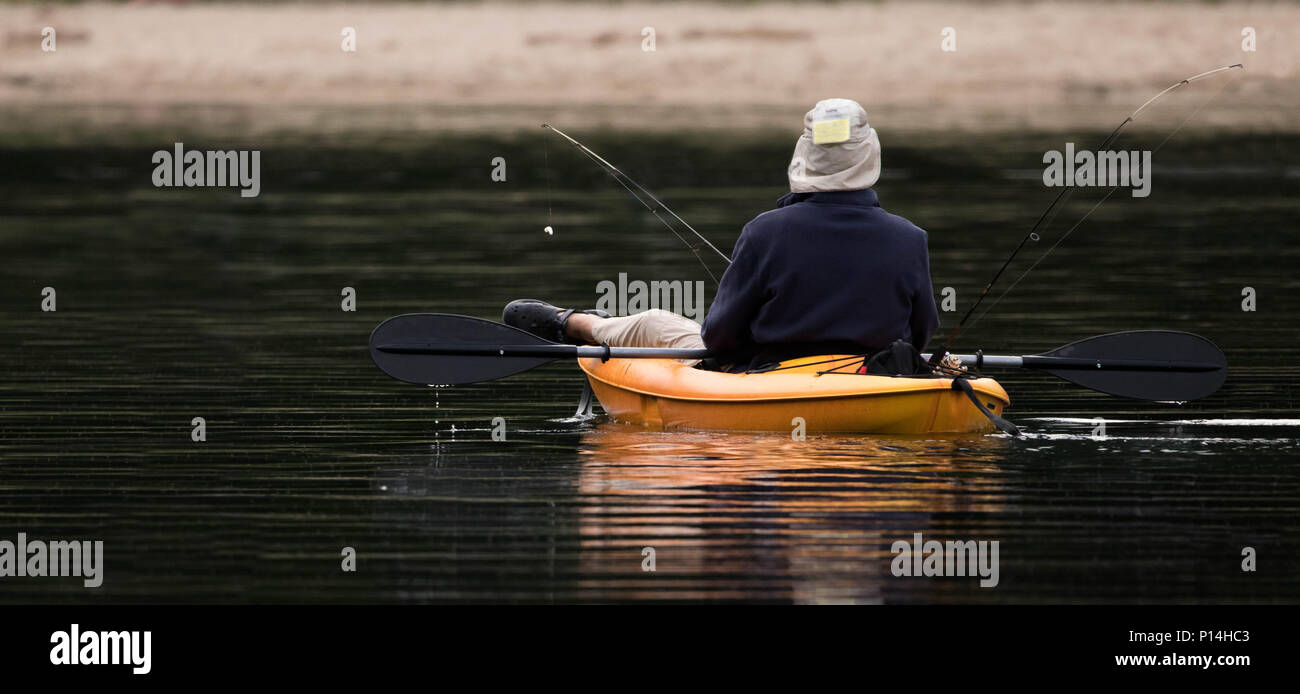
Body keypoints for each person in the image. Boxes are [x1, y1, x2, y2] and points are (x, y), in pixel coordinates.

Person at [504, 98, 940, 373]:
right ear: (869, 156)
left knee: (656, 322)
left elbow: (719, 340)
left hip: (770, 376)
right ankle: (574, 322)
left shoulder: (763, 231)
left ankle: (575, 323)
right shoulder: (910, 237)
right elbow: (920, 336)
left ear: (804, 157)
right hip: (875, 377)